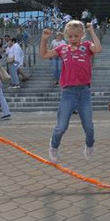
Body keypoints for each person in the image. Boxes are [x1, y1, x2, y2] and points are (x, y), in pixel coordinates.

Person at [40, 21, 102, 163]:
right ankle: (54, 145)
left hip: (84, 92)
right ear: (67, 36)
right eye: (70, 36)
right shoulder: (63, 48)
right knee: (61, 126)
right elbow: (44, 55)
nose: (73, 39)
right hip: (68, 92)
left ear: (81, 35)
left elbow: (98, 48)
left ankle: (90, 145)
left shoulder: (86, 46)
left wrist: (92, 31)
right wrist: (44, 39)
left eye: (76, 36)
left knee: (89, 127)